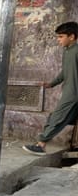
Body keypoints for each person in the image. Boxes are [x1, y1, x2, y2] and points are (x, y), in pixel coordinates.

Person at [23, 21, 78, 155]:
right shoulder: (68, 51)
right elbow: (65, 72)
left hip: (73, 93)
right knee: (60, 118)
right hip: (70, 91)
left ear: (72, 36)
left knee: (57, 117)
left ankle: (41, 144)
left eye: (61, 37)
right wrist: (51, 83)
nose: (58, 40)